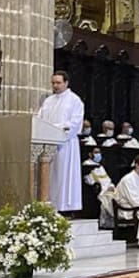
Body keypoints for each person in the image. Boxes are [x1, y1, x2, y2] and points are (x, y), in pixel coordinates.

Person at [36, 71, 84, 213]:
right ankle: (49, 205)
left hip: (65, 144)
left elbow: (75, 123)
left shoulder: (74, 100)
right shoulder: (48, 101)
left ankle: (66, 208)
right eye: (53, 83)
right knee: (50, 176)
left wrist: (55, 129)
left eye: (58, 83)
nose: (55, 86)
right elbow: (40, 118)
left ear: (66, 83)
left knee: (64, 175)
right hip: (48, 144)